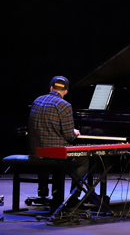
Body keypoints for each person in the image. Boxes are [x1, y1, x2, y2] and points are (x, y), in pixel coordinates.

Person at [28, 76, 89, 208]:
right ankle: (73, 197)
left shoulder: (37, 100)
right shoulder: (64, 105)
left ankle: (47, 193)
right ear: (66, 91)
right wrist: (74, 132)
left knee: (63, 157)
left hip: (36, 151)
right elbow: (69, 136)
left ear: (51, 88)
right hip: (55, 153)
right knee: (84, 159)